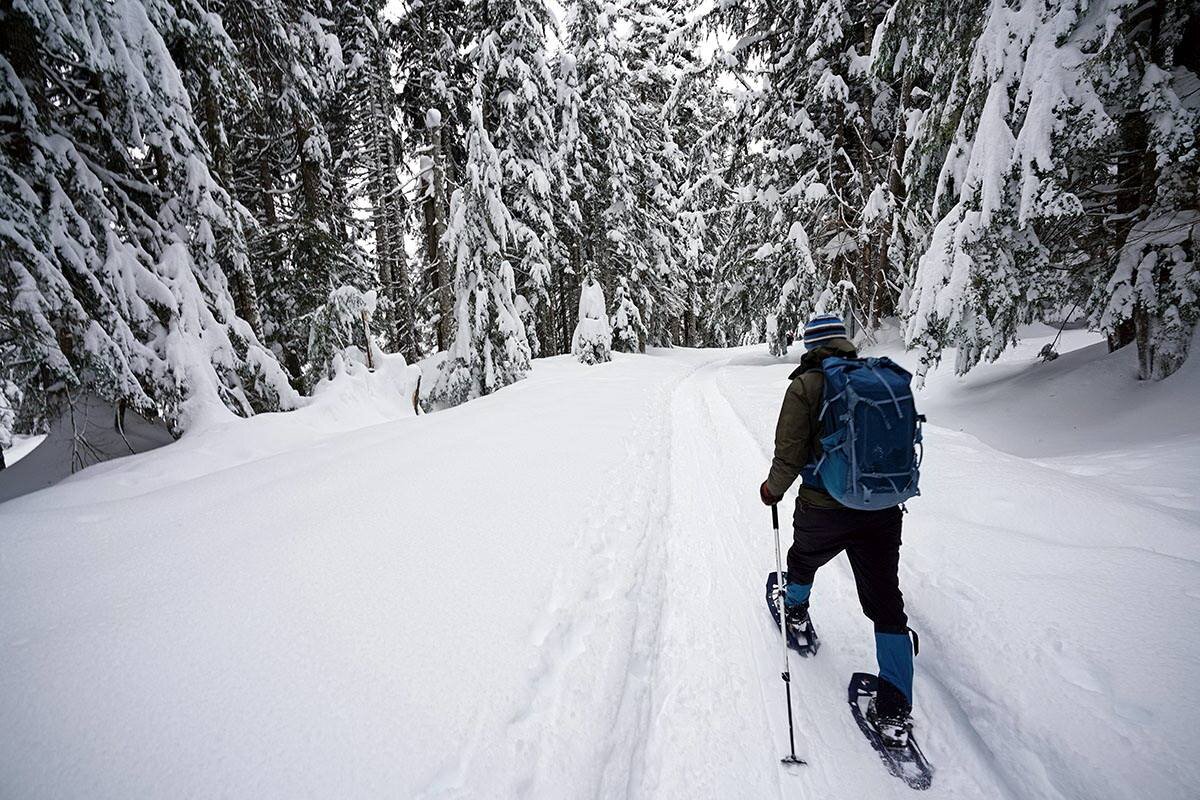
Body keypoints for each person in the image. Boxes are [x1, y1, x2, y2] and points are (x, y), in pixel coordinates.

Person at [759, 313, 915, 748]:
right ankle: (895, 707)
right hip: (883, 508)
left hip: (824, 506)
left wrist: (772, 490)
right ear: (845, 343)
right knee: (886, 601)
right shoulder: (878, 377)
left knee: (801, 561)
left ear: (811, 346)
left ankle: (794, 609)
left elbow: (789, 454)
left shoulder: (806, 386)